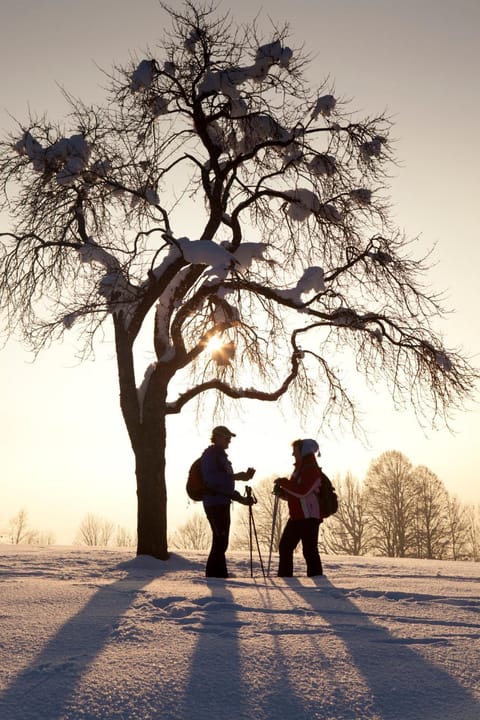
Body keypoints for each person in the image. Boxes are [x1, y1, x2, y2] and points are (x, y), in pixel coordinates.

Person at [201, 425, 256, 578]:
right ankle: (214, 577)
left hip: (221, 503)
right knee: (220, 541)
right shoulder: (210, 456)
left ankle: (219, 575)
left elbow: (224, 485)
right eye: (227, 438)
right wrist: (235, 477)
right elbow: (211, 480)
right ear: (217, 437)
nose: (229, 441)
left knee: (222, 541)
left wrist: (241, 498)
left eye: (229, 438)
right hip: (214, 503)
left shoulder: (220, 456)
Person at [274, 438, 324, 577]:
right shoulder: (299, 470)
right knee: (286, 547)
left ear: (303, 451)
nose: (293, 454)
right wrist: (282, 493)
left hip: (309, 516)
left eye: (295, 451)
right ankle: (285, 578)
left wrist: (284, 483)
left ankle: (318, 581)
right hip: (297, 516)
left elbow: (303, 491)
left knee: (309, 551)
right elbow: (295, 493)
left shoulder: (311, 469)